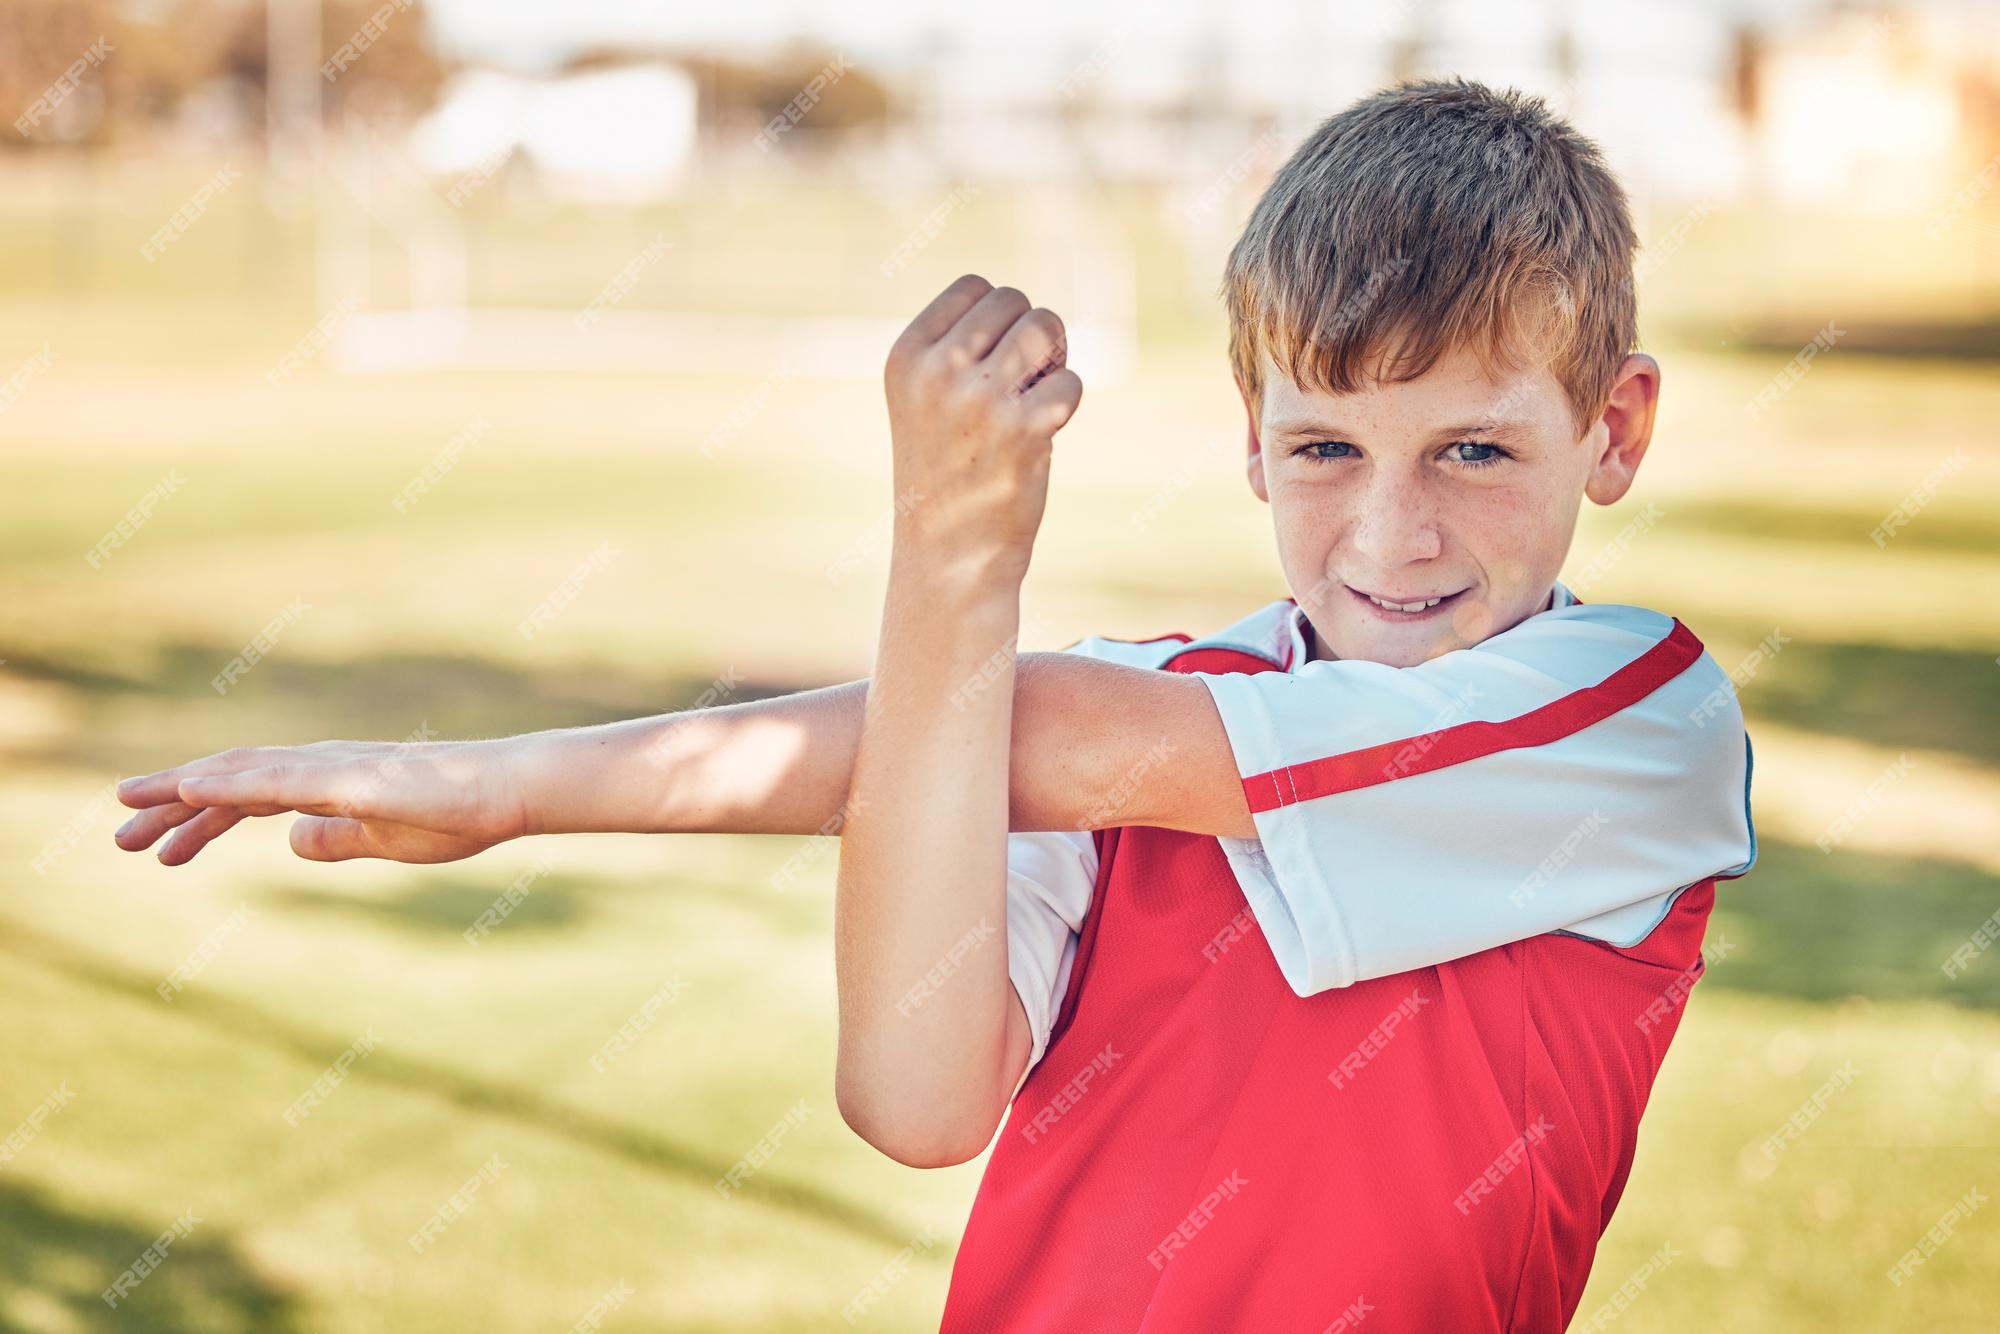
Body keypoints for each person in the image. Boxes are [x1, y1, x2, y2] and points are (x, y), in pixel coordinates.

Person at [115, 78, 1754, 1331]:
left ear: (1614, 430)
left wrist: (520, 782)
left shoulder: (1638, 719)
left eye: (1473, 449)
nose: (1392, 533)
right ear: (1249, 432)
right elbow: (914, 1096)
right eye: (1328, 448)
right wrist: (948, 617)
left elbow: (1035, 725)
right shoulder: (1128, 712)